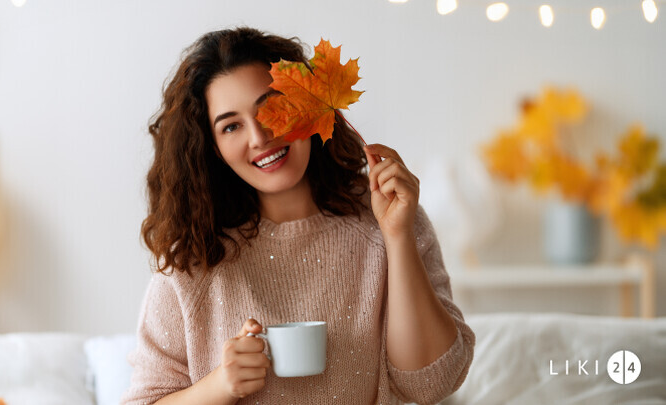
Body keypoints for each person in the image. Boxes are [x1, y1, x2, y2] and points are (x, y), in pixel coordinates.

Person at [120, 26, 475, 405]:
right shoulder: (193, 259)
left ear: (308, 103)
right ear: (212, 148)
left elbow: (432, 383)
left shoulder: (388, 214)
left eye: (271, 106)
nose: (258, 137)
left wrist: (398, 236)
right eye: (231, 126)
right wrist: (221, 385)